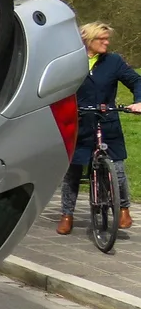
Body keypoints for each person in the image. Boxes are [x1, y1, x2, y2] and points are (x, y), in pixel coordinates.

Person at [58, 21, 141, 235]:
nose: (106, 42)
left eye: (107, 38)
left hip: (107, 121)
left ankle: (123, 209)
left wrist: (139, 100)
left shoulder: (113, 61)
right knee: (73, 171)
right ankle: (67, 214)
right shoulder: (70, 62)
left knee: (119, 169)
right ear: (87, 40)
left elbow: (135, 81)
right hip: (80, 122)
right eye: (101, 39)